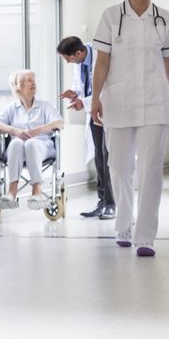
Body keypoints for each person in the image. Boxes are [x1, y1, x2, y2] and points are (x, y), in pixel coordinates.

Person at [90, 0, 169, 257]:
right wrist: (95, 98)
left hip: (156, 104)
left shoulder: (165, 18)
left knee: (151, 170)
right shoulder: (110, 16)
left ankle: (145, 236)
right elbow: (102, 61)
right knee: (118, 168)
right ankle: (123, 225)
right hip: (118, 103)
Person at [58, 36, 114, 219]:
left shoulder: (102, 56)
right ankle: (102, 201)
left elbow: (107, 88)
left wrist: (85, 101)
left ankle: (111, 204)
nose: (68, 62)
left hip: (108, 111)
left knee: (108, 158)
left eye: (68, 58)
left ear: (79, 53)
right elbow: (84, 87)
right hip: (94, 114)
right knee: (99, 158)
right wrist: (75, 94)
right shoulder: (80, 62)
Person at [0, 70, 64, 207]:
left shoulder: (44, 106)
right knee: (16, 142)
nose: (34, 83)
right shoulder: (12, 108)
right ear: (18, 86)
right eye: (29, 80)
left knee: (30, 143)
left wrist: (38, 130)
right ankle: (12, 191)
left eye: (34, 80)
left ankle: (37, 191)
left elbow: (60, 123)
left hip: (42, 147)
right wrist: (14, 130)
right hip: (16, 152)